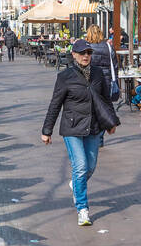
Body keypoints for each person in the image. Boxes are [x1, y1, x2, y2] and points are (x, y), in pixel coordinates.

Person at [41, 38, 117, 226]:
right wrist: (47, 130)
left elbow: (106, 100)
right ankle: (82, 208)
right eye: (82, 53)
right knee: (81, 166)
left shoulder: (98, 74)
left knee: (90, 167)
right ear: (74, 54)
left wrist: (111, 122)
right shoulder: (65, 76)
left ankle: (75, 184)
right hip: (72, 127)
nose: (86, 56)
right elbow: (55, 104)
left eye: (89, 53)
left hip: (93, 127)